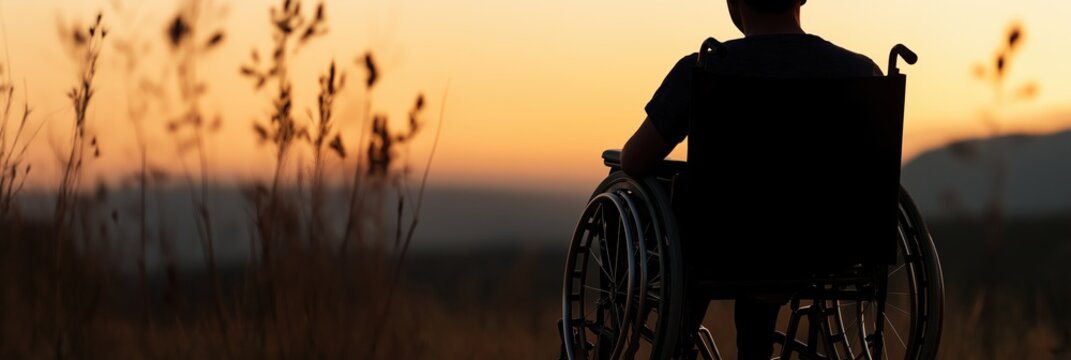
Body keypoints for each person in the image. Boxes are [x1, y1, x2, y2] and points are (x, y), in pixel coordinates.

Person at [619, 0, 882, 358]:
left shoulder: (706, 67)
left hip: (722, 243)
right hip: (829, 247)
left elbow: (635, 160)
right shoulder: (861, 72)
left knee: (675, 203)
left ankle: (670, 339)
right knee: (770, 229)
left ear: (735, 2)